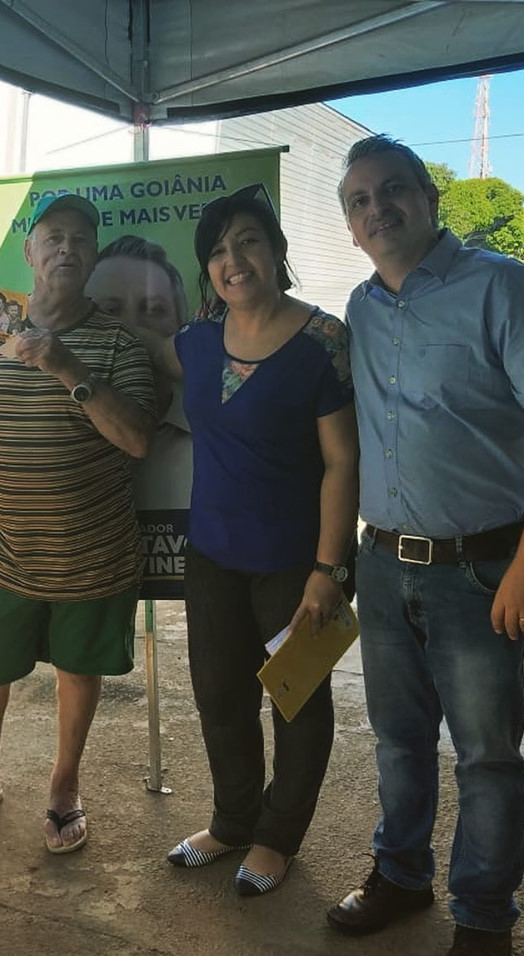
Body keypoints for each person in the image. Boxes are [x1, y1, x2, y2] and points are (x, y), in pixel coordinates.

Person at [328, 135, 524, 956]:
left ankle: (484, 920)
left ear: (430, 198)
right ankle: (401, 876)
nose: (378, 208)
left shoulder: (502, 288)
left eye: (393, 190)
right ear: (350, 226)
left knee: (487, 757)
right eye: (360, 201)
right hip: (382, 561)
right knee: (398, 742)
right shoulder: (361, 308)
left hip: (482, 572)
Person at [143, 185, 358, 897]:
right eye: (217, 252)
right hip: (212, 556)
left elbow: (341, 461)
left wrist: (330, 568)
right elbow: (143, 351)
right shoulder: (198, 344)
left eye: (247, 241)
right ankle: (233, 820)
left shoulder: (322, 341)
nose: (232, 260)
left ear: (277, 250)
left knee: (296, 700)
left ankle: (277, 837)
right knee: (219, 695)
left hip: (296, 563)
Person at [0, 195, 157, 853]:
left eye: (81, 240)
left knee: (76, 671)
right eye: (53, 237)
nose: (66, 248)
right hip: (8, 548)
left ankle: (64, 787)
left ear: (93, 258)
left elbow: (139, 440)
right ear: (29, 253)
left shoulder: (117, 342)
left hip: (95, 551)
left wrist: (68, 368)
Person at [86, 234, 192, 513]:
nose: (131, 330)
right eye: (110, 310)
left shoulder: (213, 430)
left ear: (181, 325)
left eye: (154, 309)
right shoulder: (62, 430)